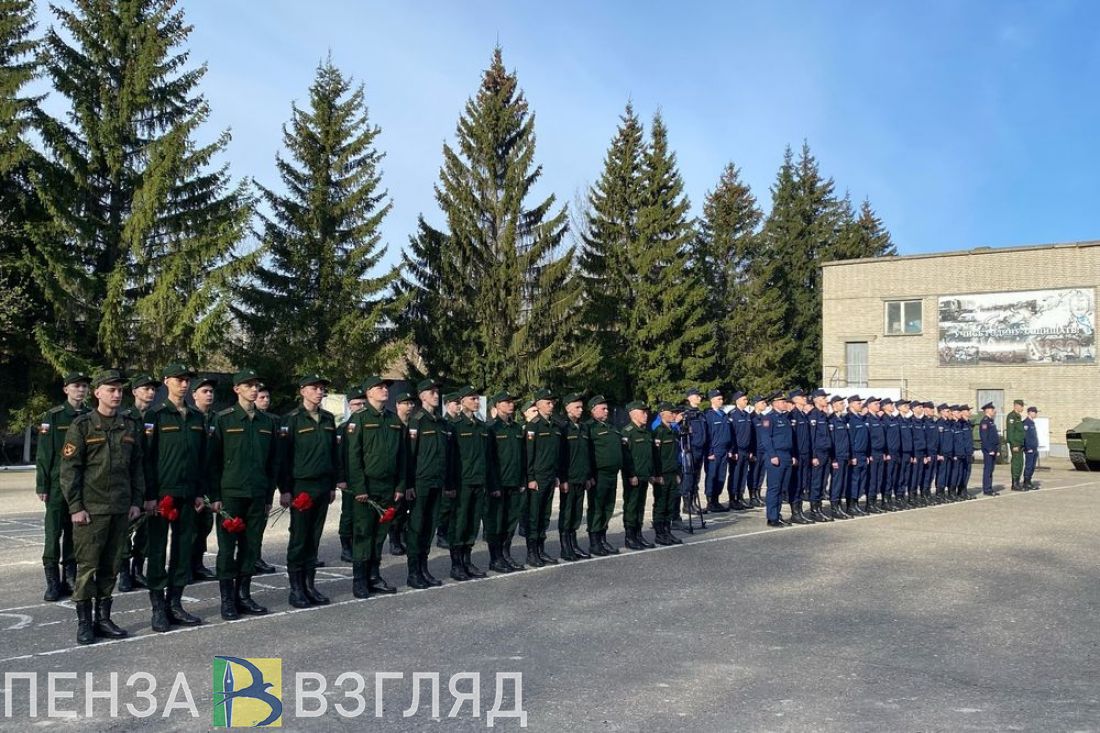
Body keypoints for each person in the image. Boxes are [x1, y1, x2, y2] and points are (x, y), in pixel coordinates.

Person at [60, 370, 145, 645]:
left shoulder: (129, 426)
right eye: (111, 390)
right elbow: (70, 469)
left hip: (120, 508)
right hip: (91, 510)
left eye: (120, 390)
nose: (117, 394)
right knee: (87, 567)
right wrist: (75, 507)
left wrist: (135, 501)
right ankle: (84, 623)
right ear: (97, 393)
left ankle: (104, 618)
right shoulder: (83, 425)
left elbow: (137, 468)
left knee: (111, 566)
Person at [208, 369, 279, 619]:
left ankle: (244, 595)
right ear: (236, 389)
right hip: (230, 495)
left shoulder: (268, 422)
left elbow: (273, 463)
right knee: (227, 550)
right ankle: (227, 600)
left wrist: (269, 495)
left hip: (257, 494)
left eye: (255, 385)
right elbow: (213, 461)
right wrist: (214, 496)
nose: (253, 389)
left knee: (251, 548)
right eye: (247, 385)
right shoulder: (224, 419)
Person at [143, 363, 207, 631]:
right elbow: (146, 459)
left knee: (183, 550)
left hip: (188, 494)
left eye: (187, 380)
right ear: (166, 381)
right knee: (157, 551)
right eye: (179, 380)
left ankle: (176, 604)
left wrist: (201, 492)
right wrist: (148, 496)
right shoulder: (155, 415)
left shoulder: (195, 416)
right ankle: (158, 608)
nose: (184, 384)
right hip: (162, 496)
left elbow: (202, 458)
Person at [278, 375, 338, 608]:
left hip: (323, 486)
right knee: (299, 538)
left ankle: (310, 585)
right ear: (303, 391)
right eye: (315, 388)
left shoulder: (328, 418)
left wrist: (333, 485)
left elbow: (333, 454)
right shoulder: (291, 420)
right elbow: (283, 459)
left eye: (322, 388)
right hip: (301, 486)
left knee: (314, 538)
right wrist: (285, 490)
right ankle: (296, 589)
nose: (319, 392)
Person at [344, 375, 406, 597]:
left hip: (388, 487)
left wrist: (400, 486)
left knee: (380, 534)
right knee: (363, 533)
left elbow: (402, 457)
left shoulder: (393, 420)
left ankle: (374, 576)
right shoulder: (358, 419)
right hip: (366, 488)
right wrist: (359, 488)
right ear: (368, 392)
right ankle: (360, 580)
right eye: (379, 387)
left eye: (385, 387)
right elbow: (353, 457)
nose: (384, 390)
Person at [36, 370, 91, 602]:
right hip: (58, 484)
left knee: (74, 532)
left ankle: (69, 577)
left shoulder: (91, 416)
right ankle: (52, 581)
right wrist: (42, 485)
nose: (80, 390)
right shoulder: (54, 417)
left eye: (84, 386)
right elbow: (44, 453)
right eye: (76, 386)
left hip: (83, 485)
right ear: (66, 389)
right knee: (53, 532)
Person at [405, 379, 451, 587]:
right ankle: (414, 572)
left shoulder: (441, 423)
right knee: (417, 527)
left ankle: (424, 568)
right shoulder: (417, 420)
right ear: (422, 396)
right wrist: (408, 484)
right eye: (431, 392)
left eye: (437, 391)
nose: (435, 395)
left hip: (436, 482)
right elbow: (409, 455)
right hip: (420, 483)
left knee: (429, 527)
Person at [117, 373, 157, 592]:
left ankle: (138, 570)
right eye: (145, 388)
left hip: (151, 480)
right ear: (134, 392)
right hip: (130, 481)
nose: (150, 392)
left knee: (146, 530)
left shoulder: (157, 416)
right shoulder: (124, 417)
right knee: (125, 529)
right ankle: (124, 572)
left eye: (152, 389)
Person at [448, 385, 488, 580]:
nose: (476, 402)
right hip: (462, 483)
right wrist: (451, 485)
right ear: (462, 401)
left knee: (473, 522)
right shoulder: (455, 426)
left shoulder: (482, 427)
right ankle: (456, 564)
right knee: (460, 522)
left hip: (479, 481)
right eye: (472, 399)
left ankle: (467, 560)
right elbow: (451, 458)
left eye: (477, 399)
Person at [485, 390, 526, 574]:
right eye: (506, 402)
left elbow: (522, 456)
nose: (511, 405)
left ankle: (506, 553)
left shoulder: (517, 428)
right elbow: (490, 460)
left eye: (512, 402)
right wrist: (493, 485)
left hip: (515, 482)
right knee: (497, 522)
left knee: (510, 522)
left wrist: (523, 480)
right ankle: (495, 558)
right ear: (497, 406)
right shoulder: (492, 429)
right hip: (499, 485)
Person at [524, 389, 562, 566]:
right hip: (537, 478)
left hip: (549, 476)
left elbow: (555, 454)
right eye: (548, 402)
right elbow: (529, 455)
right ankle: (532, 553)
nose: (551, 405)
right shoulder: (533, 426)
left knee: (545, 515)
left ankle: (541, 549)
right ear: (538, 404)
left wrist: (555, 475)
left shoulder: (554, 425)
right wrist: (531, 477)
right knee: (534, 515)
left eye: (552, 402)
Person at [189, 375, 218, 581]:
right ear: (194, 395)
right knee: (188, 527)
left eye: (211, 391)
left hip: (210, 480)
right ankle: (186, 566)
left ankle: (198, 563)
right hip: (191, 480)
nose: (209, 395)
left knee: (205, 525)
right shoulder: (190, 417)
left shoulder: (218, 418)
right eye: (204, 391)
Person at [587, 395, 623, 555]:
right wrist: (589, 475)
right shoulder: (589, 428)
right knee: (597, 508)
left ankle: (603, 538)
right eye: (603, 408)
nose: (607, 411)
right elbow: (585, 453)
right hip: (598, 474)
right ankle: (594, 542)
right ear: (593, 410)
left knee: (608, 507)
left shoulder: (611, 427)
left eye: (607, 408)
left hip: (612, 474)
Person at [558, 393, 593, 560]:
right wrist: (562, 479)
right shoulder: (562, 427)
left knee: (577, 513)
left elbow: (587, 454)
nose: (580, 410)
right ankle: (565, 548)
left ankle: (574, 544)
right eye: (577, 407)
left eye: (581, 407)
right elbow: (560, 456)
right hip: (569, 478)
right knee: (567, 513)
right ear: (567, 408)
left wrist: (588, 476)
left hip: (581, 477)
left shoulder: (584, 428)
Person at [621, 401, 657, 549]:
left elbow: (650, 456)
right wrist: (631, 474)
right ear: (633, 413)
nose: (646, 414)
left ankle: (638, 534)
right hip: (633, 477)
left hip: (644, 475)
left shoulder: (646, 432)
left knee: (640, 506)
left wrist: (652, 473)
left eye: (646, 412)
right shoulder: (627, 431)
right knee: (631, 506)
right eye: (642, 412)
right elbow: (625, 456)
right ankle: (630, 537)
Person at [337, 385, 367, 562]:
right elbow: (340, 456)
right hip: (348, 479)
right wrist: (340, 478)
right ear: (350, 406)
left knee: (362, 514)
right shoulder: (343, 428)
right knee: (348, 513)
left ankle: (359, 543)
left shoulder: (367, 425)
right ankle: (346, 546)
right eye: (356, 404)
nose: (360, 407)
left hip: (363, 477)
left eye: (363, 403)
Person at [252, 384, 279, 574]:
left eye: (267, 397)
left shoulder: (274, 421)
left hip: (263, 481)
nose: (265, 400)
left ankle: (256, 556)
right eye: (261, 397)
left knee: (259, 525)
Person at [388, 391, 418, 556]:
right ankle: (394, 539)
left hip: (412, 471)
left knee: (409, 509)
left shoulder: (414, 424)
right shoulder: (393, 424)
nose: (410, 407)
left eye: (411, 403)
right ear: (398, 405)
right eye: (406, 403)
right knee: (397, 509)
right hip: (397, 474)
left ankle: (404, 536)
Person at [652, 403, 684, 543]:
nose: (673, 415)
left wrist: (677, 472)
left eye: (674, 412)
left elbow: (676, 454)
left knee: (670, 503)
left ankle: (667, 531)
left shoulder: (673, 431)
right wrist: (656, 475)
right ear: (662, 414)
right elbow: (655, 455)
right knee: (661, 504)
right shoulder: (658, 431)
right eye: (671, 412)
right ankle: (660, 534)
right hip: (662, 474)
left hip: (672, 472)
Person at [435, 391, 461, 549]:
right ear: (447, 405)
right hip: (445, 470)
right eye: (455, 403)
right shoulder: (445, 423)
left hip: (458, 470)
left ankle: (451, 533)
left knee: (454, 506)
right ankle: (441, 534)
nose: (458, 406)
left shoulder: (459, 422)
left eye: (459, 403)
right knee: (445, 507)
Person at [702, 389, 731, 512]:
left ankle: (716, 500)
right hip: (714, 451)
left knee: (721, 476)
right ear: (712, 400)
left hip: (724, 450)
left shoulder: (724, 415)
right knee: (712, 476)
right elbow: (707, 436)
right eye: (719, 399)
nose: (721, 401)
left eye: (722, 398)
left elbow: (729, 434)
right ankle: (710, 502)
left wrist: (730, 449)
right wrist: (709, 452)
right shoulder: (708, 415)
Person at [806, 389, 832, 521]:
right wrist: (814, 456)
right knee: (816, 482)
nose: (826, 401)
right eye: (823, 398)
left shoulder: (823, 415)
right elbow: (812, 437)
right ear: (816, 400)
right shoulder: (813, 415)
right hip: (818, 453)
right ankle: (814, 510)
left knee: (823, 482)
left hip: (826, 452)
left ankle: (819, 508)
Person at [726, 391, 753, 511]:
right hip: (737, 451)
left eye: (746, 399)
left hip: (746, 450)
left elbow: (751, 434)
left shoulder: (747, 415)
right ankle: (733, 499)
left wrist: (751, 450)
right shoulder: (732, 415)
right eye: (744, 399)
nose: (746, 401)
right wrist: (732, 450)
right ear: (737, 401)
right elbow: (731, 435)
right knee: (735, 475)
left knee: (743, 475)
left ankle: (740, 496)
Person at [827, 395, 851, 520]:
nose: (844, 405)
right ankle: (834, 507)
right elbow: (831, 442)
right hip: (837, 457)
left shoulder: (842, 419)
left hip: (845, 455)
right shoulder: (831, 420)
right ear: (834, 405)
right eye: (841, 403)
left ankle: (839, 505)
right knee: (836, 483)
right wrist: (834, 459)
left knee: (842, 482)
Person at [846, 395, 869, 516]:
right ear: (851, 404)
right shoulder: (849, 419)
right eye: (858, 403)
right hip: (856, 454)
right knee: (854, 480)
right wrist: (852, 455)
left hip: (863, 454)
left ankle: (856, 503)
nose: (861, 405)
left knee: (861, 480)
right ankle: (851, 505)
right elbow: (850, 439)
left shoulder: (860, 418)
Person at [979, 402, 1000, 496]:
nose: (993, 411)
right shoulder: (984, 422)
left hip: (994, 449)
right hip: (989, 450)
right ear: (987, 410)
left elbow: (995, 437)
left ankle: (989, 488)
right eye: (992, 410)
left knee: (991, 469)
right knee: (988, 469)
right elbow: (984, 438)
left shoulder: (991, 421)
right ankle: (987, 489)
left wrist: (997, 449)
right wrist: (990, 449)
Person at [1006, 399, 1026, 491]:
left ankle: (1017, 482)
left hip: (1020, 443)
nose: (1022, 408)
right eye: (1021, 406)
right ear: (1016, 406)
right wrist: (1013, 444)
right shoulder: (1012, 416)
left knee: (1020, 463)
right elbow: (1010, 432)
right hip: (1015, 444)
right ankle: (1014, 484)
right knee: (1016, 463)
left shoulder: (1018, 416)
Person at [1022, 407, 1040, 490]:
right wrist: (1028, 447)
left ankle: (1029, 481)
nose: (1036, 414)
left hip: (1034, 448)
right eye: (1035, 412)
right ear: (1030, 412)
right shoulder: (1026, 423)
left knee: (1032, 466)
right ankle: (1026, 482)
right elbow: (1025, 437)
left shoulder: (1032, 423)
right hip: (1029, 448)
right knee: (1029, 466)